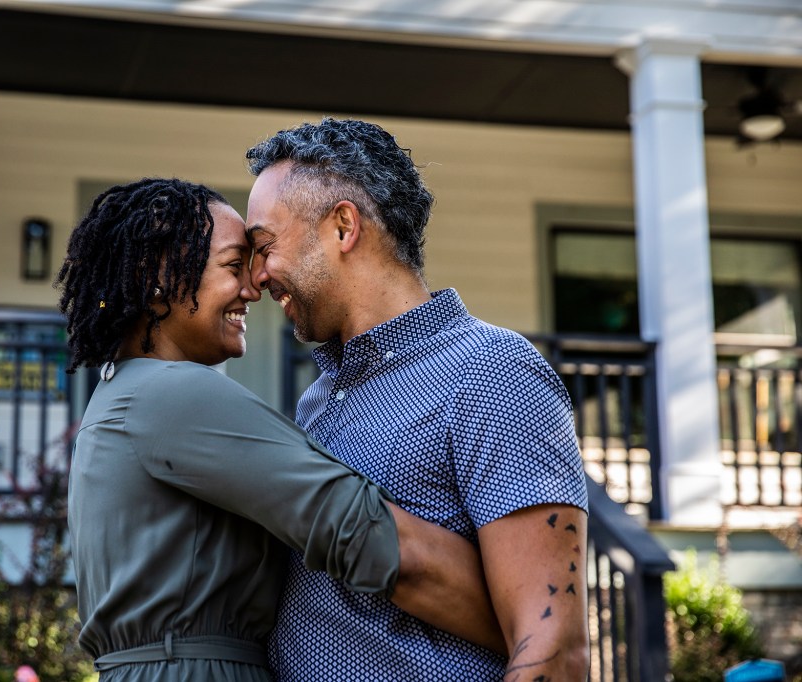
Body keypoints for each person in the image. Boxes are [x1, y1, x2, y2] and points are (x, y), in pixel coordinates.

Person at [55, 178, 505, 682]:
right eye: (233, 266)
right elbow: (369, 537)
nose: (253, 289)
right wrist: (528, 627)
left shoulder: (123, 396)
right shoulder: (173, 395)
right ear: (156, 276)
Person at [244, 118, 590, 681]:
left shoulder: (493, 372)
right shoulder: (316, 403)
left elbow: (553, 646)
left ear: (342, 227)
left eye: (265, 246)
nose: (257, 277)